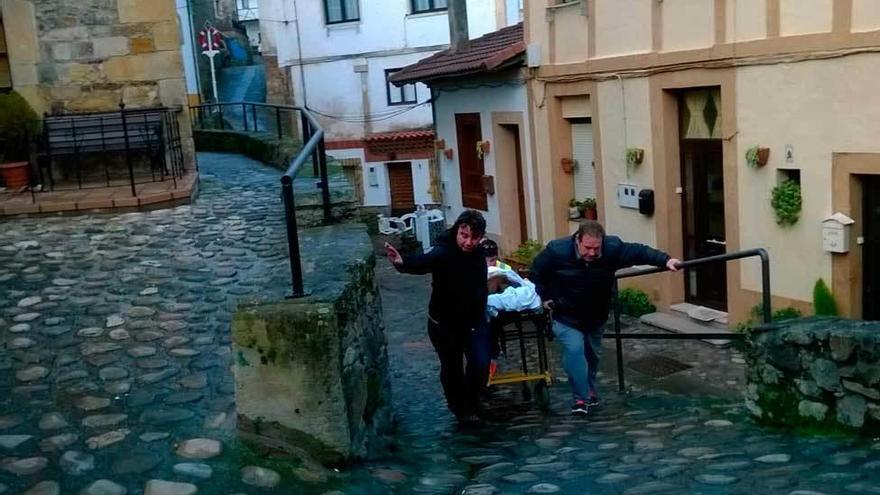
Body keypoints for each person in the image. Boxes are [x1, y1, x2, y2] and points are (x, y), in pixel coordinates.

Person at [530, 220, 680, 416]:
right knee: (575, 350)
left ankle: (590, 390)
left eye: (596, 248)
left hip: (596, 314)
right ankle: (580, 398)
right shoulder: (557, 250)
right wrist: (546, 296)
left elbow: (639, 252)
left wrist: (666, 260)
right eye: (588, 248)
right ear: (578, 240)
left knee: (591, 356)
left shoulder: (612, 248)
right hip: (566, 314)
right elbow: (537, 272)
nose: (592, 253)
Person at [385, 210, 490, 424]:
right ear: (457, 231)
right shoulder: (444, 251)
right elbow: (424, 262)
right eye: (464, 236)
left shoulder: (479, 253)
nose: (468, 242)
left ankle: (472, 401)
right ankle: (460, 408)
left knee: (480, 362)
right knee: (452, 367)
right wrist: (401, 262)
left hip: (473, 320)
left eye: (474, 238)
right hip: (444, 323)